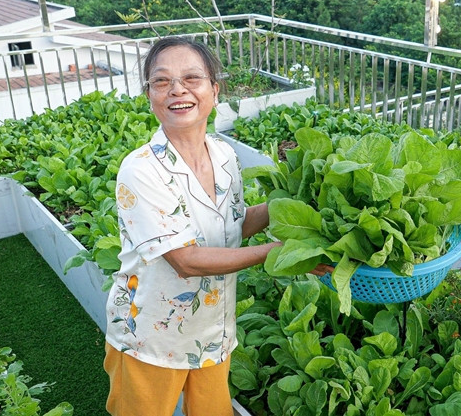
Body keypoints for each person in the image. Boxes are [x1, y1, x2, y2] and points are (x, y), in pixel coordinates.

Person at [103, 36, 329, 416]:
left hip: (211, 333)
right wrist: (282, 254)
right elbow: (185, 260)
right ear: (149, 95)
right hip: (150, 335)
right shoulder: (140, 170)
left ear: (214, 89)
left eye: (192, 78)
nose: (177, 90)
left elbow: (234, 227)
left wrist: (289, 204)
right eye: (161, 81)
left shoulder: (223, 154)